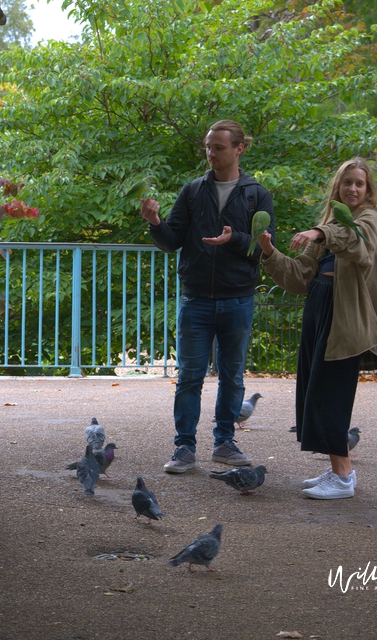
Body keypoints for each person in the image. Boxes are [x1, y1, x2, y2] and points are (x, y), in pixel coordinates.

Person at [140, 120, 275, 473]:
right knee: (189, 377)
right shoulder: (193, 190)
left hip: (238, 298)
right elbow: (172, 241)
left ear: (239, 148)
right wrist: (155, 223)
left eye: (218, 147)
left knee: (232, 376)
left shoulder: (256, 194)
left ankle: (224, 442)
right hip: (196, 298)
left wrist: (234, 239)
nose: (211, 154)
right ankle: (184, 447)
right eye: (208, 147)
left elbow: (263, 249)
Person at [257, 157, 377, 499]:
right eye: (347, 182)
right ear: (338, 187)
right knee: (313, 390)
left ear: (368, 191)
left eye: (359, 184)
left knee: (330, 395)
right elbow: (300, 275)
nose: (352, 188)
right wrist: (268, 250)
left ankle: (344, 478)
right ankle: (338, 468)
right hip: (319, 305)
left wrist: (321, 231)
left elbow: (355, 244)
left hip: (345, 316)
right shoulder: (330, 227)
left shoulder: (370, 221)